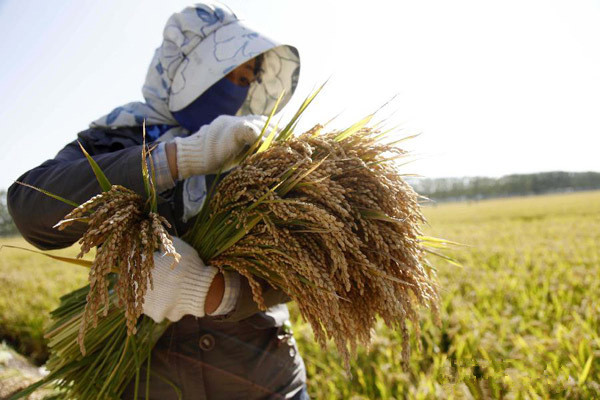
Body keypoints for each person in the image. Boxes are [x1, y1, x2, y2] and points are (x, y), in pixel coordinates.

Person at [7, 3, 308, 399]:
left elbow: (310, 259)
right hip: (148, 382)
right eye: (229, 73)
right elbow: (32, 206)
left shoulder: (260, 149)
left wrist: (216, 293)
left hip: (264, 380)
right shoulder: (115, 138)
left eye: (247, 79)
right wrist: (177, 158)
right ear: (188, 68)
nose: (240, 88)